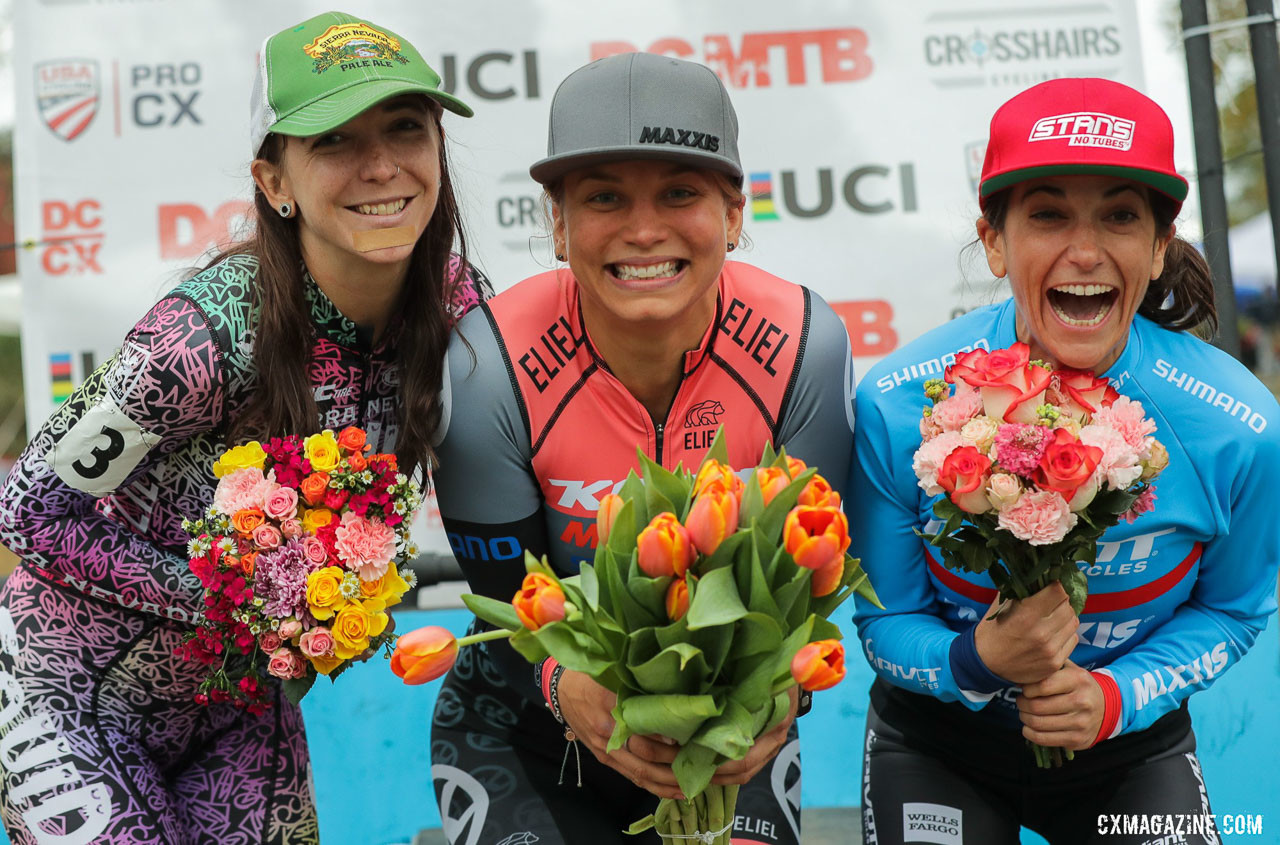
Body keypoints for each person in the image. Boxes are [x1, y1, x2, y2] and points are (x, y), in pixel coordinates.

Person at [0, 11, 488, 844]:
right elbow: (27, 508)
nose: (380, 165)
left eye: (405, 128)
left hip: (237, 714)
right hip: (70, 699)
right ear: (275, 182)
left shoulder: (458, 306)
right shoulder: (202, 338)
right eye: (333, 139)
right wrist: (236, 601)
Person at [430, 52, 855, 844]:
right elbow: (513, 610)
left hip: (731, 745)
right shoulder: (487, 367)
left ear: (734, 213)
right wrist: (566, 686)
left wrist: (776, 703)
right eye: (603, 198)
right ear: (556, 224)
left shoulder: (804, 345)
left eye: (680, 192)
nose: (644, 228)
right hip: (530, 732)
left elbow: (805, 605)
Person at [849, 77, 1280, 844]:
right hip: (939, 744)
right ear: (993, 240)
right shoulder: (898, 400)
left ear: (1157, 246)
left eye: (1119, 215)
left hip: (1124, 747)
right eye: (1048, 214)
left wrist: (1116, 698)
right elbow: (886, 624)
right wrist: (975, 660)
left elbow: (1233, 610)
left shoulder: (1237, 424)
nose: (1084, 251)